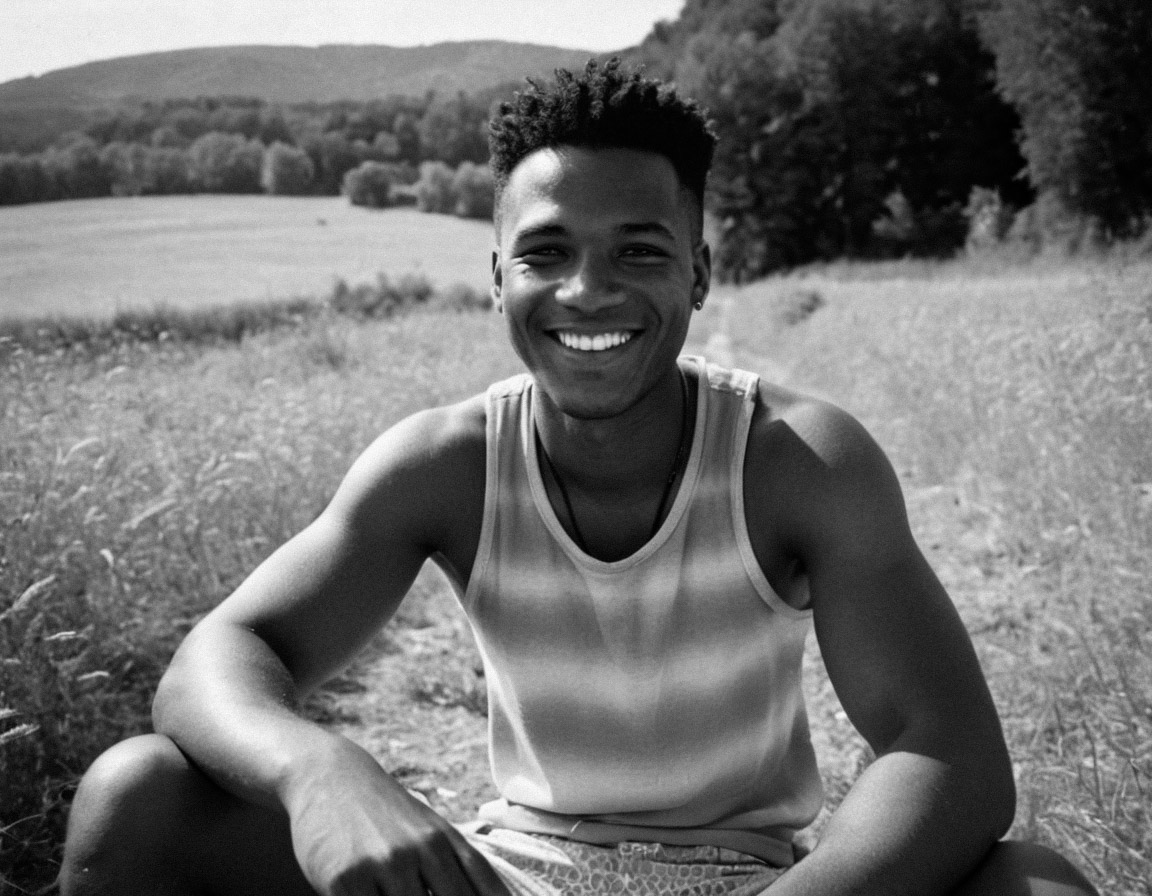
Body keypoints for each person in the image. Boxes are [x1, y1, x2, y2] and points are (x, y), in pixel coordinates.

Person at [60, 60, 1098, 896]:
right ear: (496, 277)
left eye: (638, 251)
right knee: (135, 794)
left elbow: (949, 752)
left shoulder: (800, 460)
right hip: (513, 874)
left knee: (1039, 882)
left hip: (752, 882)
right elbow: (217, 659)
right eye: (546, 252)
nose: (586, 290)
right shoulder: (446, 463)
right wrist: (321, 769)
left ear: (699, 271)